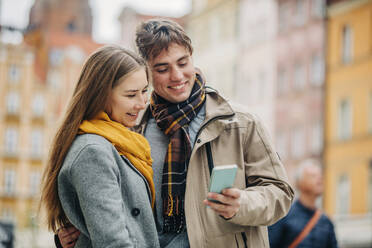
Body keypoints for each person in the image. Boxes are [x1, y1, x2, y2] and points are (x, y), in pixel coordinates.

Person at [57, 18, 294, 248]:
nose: (177, 76)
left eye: (183, 63)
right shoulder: (130, 130)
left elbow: (281, 193)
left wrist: (242, 204)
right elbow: (107, 205)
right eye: (162, 68)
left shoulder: (240, 123)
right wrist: (75, 235)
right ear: (145, 71)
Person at [40, 45, 160, 248]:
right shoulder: (93, 152)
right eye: (131, 95)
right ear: (101, 95)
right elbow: (113, 242)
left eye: (144, 91)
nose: (142, 103)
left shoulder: (123, 141)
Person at [268, 159, 338, 248]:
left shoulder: (326, 222)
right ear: (299, 183)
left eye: (320, 176)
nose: (319, 179)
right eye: (313, 176)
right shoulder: (283, 215)